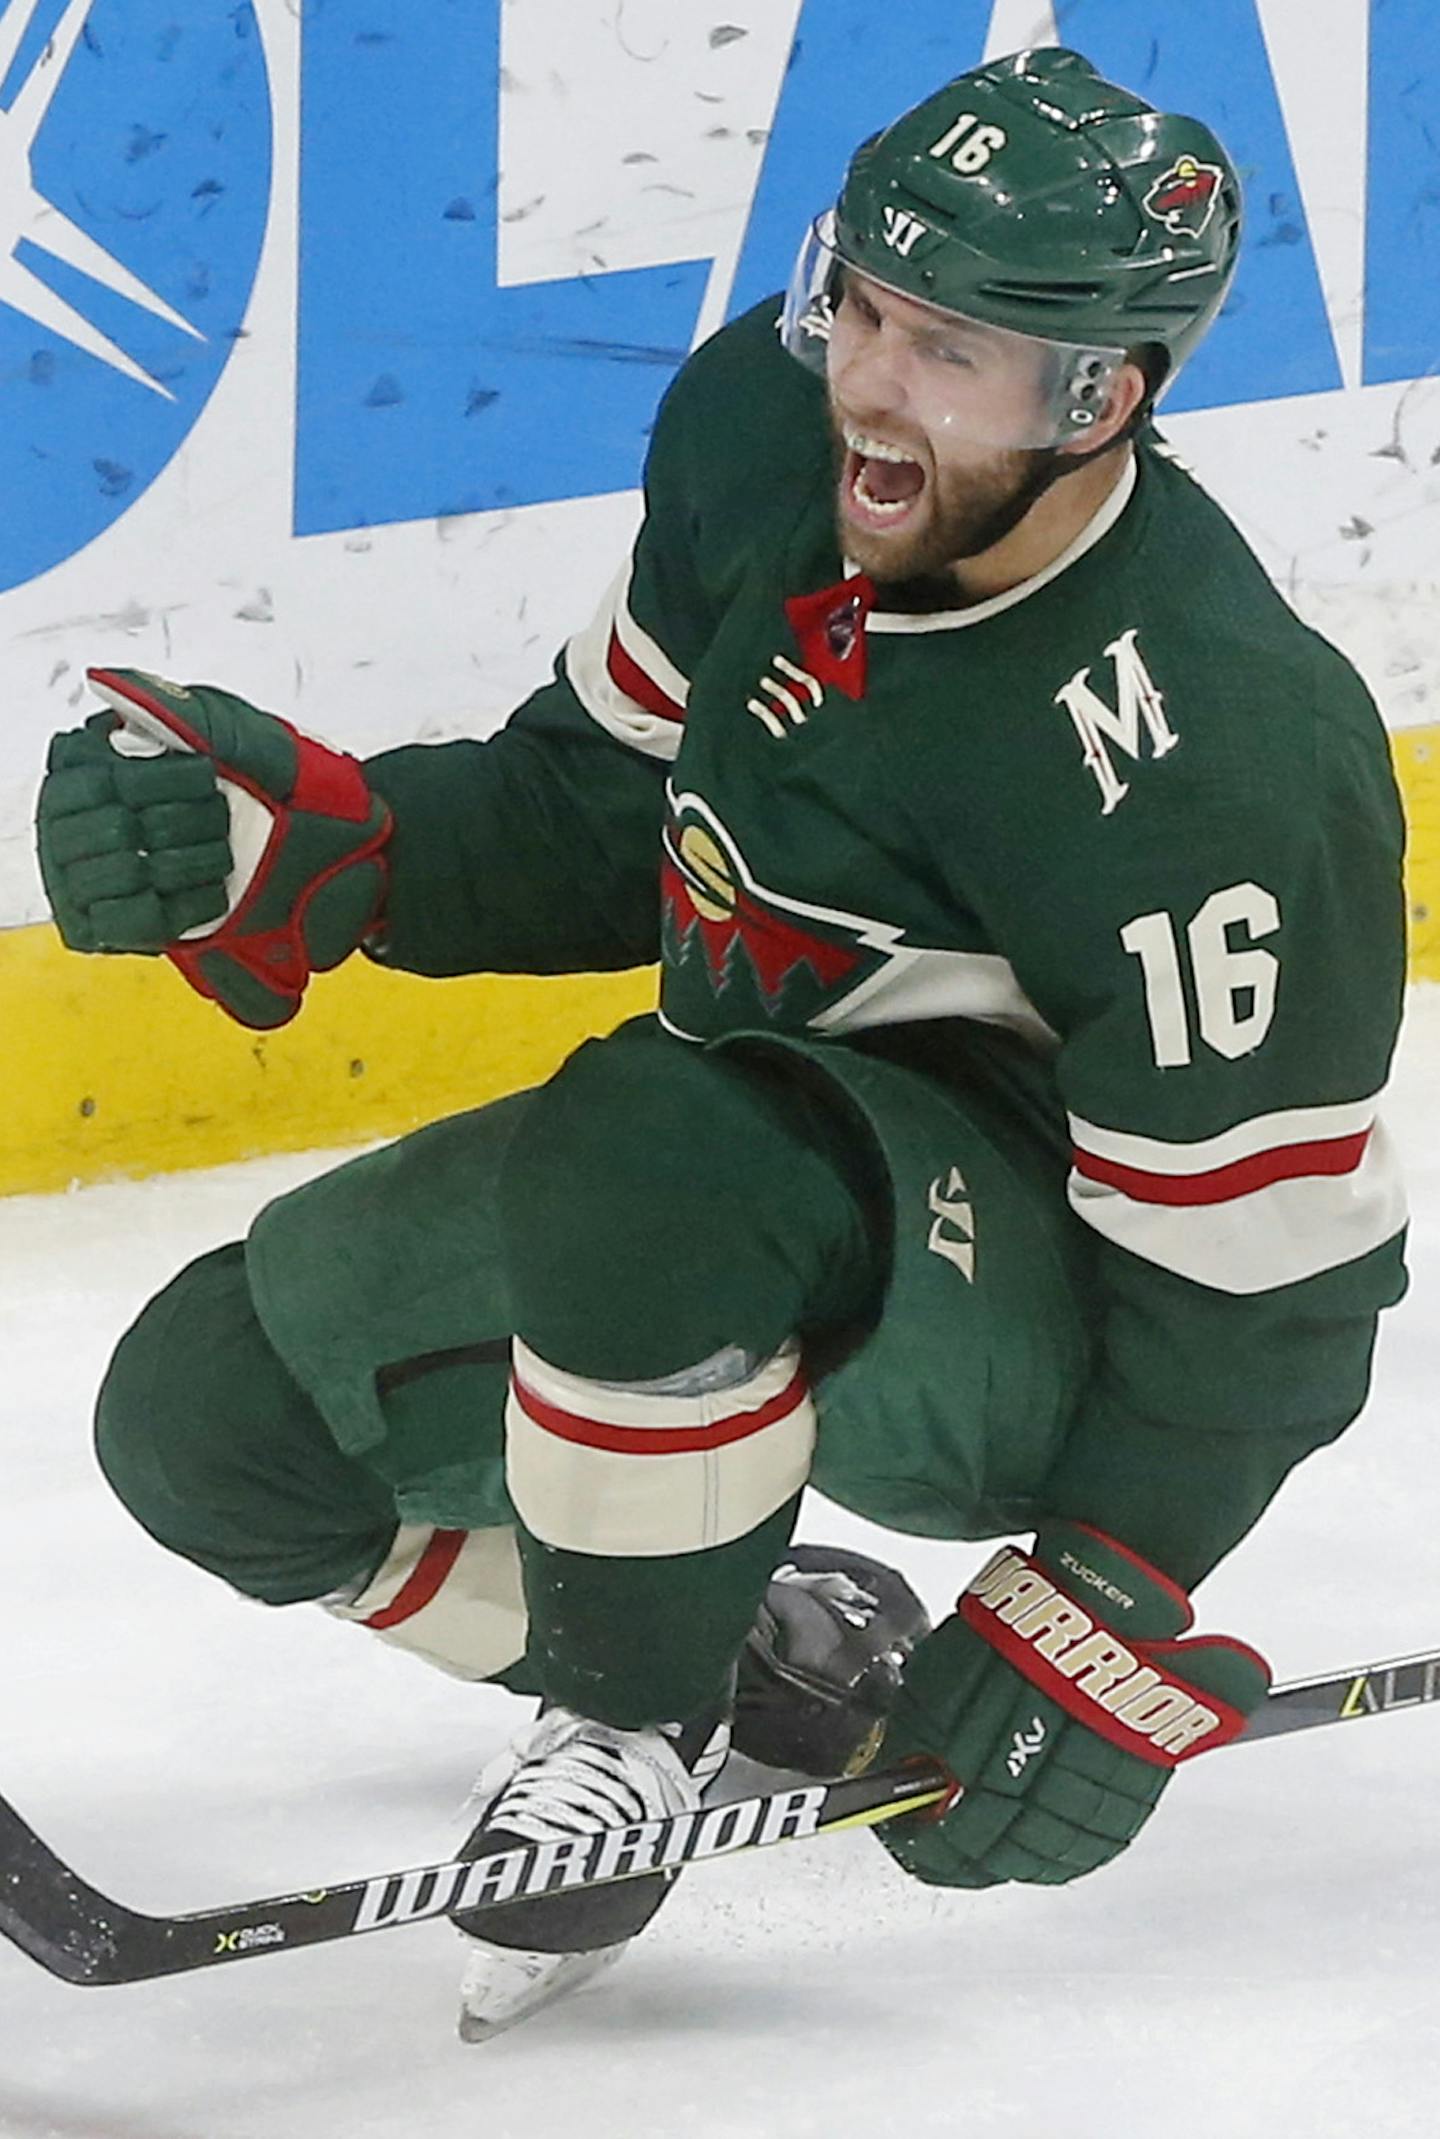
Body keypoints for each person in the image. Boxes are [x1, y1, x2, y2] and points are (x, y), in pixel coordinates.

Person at [34, 46, 1408, 2040]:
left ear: (1100, 394)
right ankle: (745, 1656)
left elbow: (1265, 1293)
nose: (869, 379)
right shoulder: (765, 434)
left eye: (949, 348)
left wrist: (1097, 1589)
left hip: (1046, 1321)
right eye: (862, 303)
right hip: (722, 1190)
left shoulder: (1217, 750)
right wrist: (320, 843)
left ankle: (622, 1722)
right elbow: (611, 809)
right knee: (206, 1422)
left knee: (653, 1137)